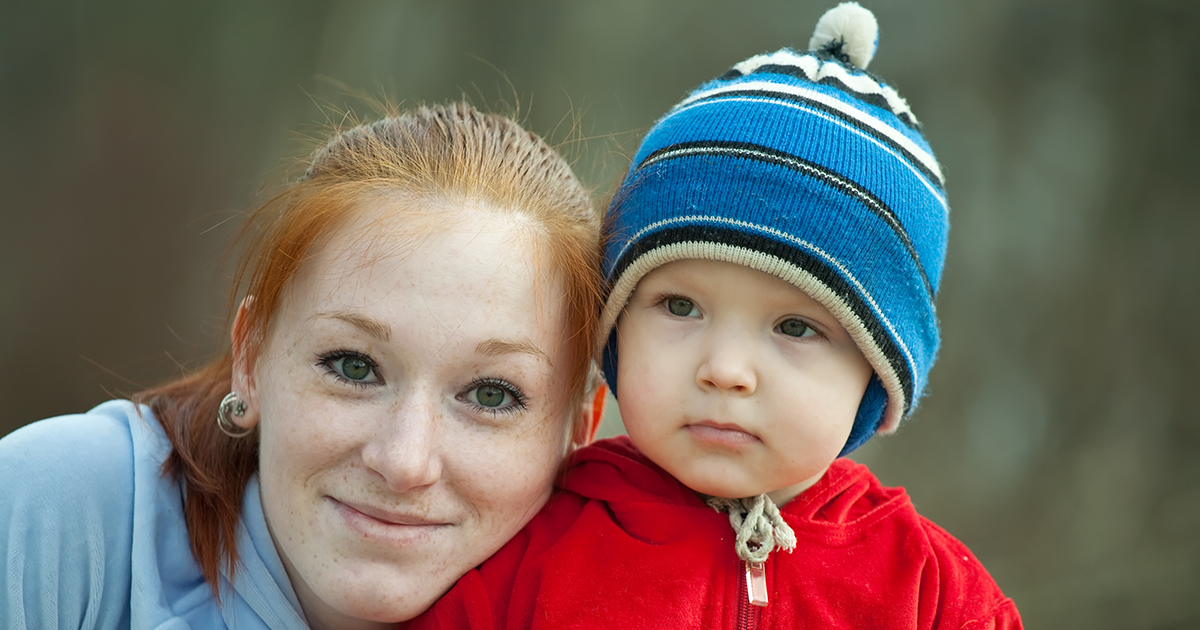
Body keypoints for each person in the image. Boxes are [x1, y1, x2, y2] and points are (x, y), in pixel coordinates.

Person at [403, 4, 1023, 629]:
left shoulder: (933, 593)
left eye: (796, 327)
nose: (725, 371)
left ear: (878, 373)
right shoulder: (527, 551)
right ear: (614, 330)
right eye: (680, 306)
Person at [0, 102, 606, 629]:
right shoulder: (64, 511)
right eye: (353, 366)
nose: (404, 463)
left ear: (579, 428)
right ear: (251, 357)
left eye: (491, 395)